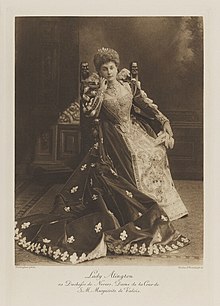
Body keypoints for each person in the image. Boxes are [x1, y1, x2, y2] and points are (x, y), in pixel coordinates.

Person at [15, 48, 189, 265]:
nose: (108, 72)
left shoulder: (129, 85)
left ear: (117, 67)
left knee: (155, 150)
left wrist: (165, 121)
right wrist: (100, 91)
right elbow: (90, 114)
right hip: (112, 134)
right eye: (104, 69)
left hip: (133, 128)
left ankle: (165, 202)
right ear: (99, 71)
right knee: (133, 154)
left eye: (112, 68)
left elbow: (145, 105)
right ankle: (137, 203)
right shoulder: (94, 90)